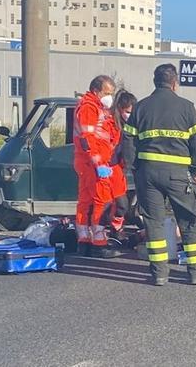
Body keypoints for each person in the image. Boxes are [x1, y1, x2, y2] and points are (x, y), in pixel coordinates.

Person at [124, 65, 196, 286]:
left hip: (149, 173)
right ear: (174, 83)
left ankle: (160, 274)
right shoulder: (187, 108)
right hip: (179, 175)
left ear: (155, 82)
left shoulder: (140, 108)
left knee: (153, 223)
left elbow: (128, 143)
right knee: (189, 221)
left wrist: (135, 168)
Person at [73, 75, 119, 258]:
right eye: (107, 93)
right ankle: (98, 243)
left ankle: (83, 240)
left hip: (86, 162)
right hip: (92, 163)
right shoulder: (89, 108)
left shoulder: (94, 107)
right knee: (103, 200)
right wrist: (98, 163)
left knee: (85, 201)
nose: (110, 97)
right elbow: (87, 139)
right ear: (96, 91)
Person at [109, 91, 137, 236]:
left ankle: (116, 227)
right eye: (127, 111)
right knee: (119, 204)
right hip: (107, 169)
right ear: (119, 108)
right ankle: (112, 229)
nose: (129, 115)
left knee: (122, 205)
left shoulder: (128, 127)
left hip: (118, 170)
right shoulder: (111, 125)